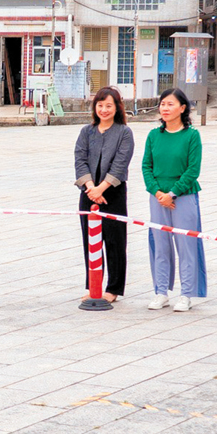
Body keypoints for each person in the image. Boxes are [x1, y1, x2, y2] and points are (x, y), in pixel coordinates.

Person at [141, 88, 207, 311]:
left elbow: (193, 170)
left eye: (170, 104)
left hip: (184, 197)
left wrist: (173, 193)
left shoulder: (192, 136)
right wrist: (158, 192)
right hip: (158, 197)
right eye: (162, 104)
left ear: (182, 108)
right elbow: (146, 167)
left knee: (186, 244)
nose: (165, 108)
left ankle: (186, 293)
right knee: (160, 245)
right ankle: (161, 292)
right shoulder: (153, 135)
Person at [73, 86, 134, 302]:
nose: (104, 110)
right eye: (100, 105)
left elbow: (120, 163)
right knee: (90, 241)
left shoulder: (124, 132)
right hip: (88, 193)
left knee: (115, 241)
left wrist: (102, 188)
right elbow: (79, 159)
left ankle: (114, 288)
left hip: (113, 192)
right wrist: (91, 188)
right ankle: (93, 286)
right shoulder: (86, 132)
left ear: (117, 108)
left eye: (109, 105)